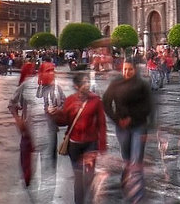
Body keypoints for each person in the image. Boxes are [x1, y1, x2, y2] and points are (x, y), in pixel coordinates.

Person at [8, 61, 65, 202]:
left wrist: (58, 111)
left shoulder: (57, 88)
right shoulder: (27, 86)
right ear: (40, 73)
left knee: (48, 171)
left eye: (53, 71)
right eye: (48, 71)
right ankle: (31, 195)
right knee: (27, 171)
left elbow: (65, 107)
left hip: (49, 133)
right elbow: (12, 104)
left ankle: (47, 200)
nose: (52, 74)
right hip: (29, 133)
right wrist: (18, 120)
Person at [103, 59, 154, 204]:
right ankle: (126, 177)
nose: (126, 72)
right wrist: (116, 119)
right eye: (124, 69)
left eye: (130, 69)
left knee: (136, 160)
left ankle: (137, 196)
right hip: (122, 128)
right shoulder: (116, 84)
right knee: (126, 158)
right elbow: (106, 102)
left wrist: (133, 118)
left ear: (135, 70)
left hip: (139, 126)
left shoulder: (142, 85)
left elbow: (148, 106)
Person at [51, 72, 107, 204]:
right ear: (77, 86)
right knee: (78, 177)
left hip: (90, 144)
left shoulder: (96, 100)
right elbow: (65, 121)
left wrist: (102, 145)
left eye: (88, 82)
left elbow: (102, 124)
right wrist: (55, 115)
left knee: (88, 177)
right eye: (84, 82)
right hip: (74, 144)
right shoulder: (70, 100)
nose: (87, 85)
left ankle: (91, 198)